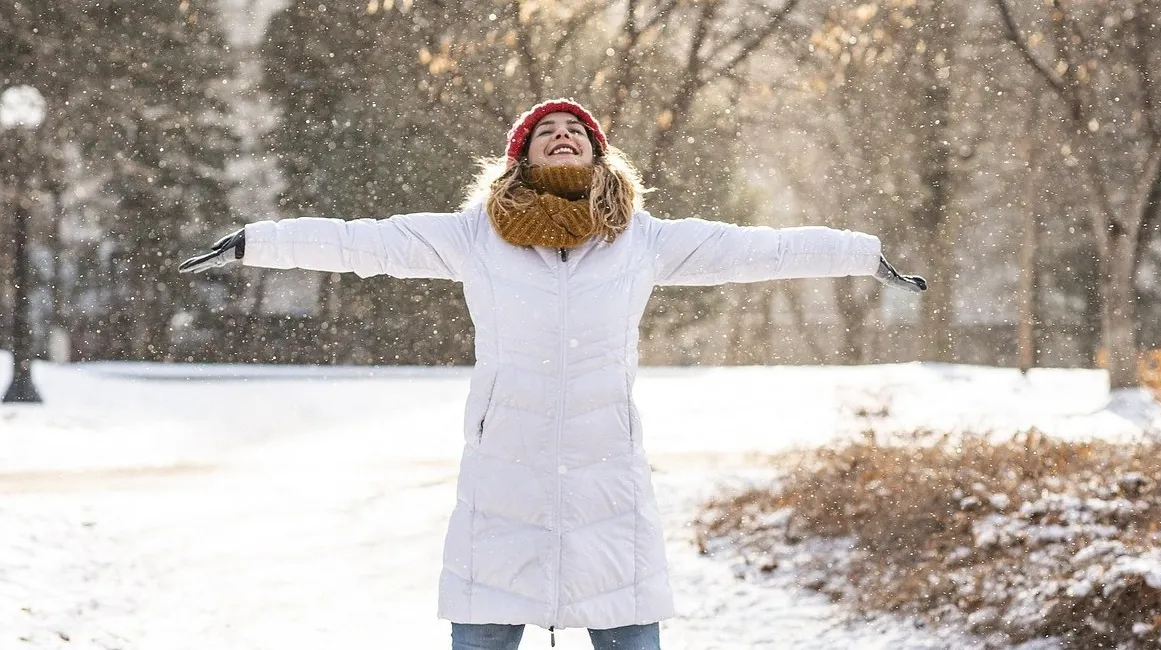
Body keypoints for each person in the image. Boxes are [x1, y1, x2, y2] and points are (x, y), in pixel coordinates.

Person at [179, 98, 926, 650]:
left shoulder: (642, 241)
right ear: (522, 160)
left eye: (577, 132)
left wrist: (859, 253)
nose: (562, 136)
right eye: (546, 132)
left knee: (629, 629)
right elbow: (362, 243)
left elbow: (757, 250)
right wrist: (254, 241)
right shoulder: (473, 237)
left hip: (608, 469)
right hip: (505, 466)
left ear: (599, 159)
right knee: (483, 628)